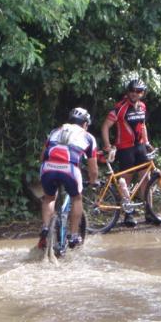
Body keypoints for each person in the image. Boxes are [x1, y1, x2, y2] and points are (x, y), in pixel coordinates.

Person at [38, 107, 99, 250]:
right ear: (85, 124)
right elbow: (93, 169)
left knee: (49, 198)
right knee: (76, 198)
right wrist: (93, 181)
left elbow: (42, 157)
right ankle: (73, 235)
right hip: (69, 169)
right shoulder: (88, 137)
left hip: (48, 167)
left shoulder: (55, 131)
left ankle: (46, 227)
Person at [100, 78, 153, 227]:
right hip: (125, 149)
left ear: (142, 93)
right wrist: (107, 145)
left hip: (140, 147)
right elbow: (105, 127)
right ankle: (128, 214)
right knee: (125, 181)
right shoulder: (120, 108)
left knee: (146, 178)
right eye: (132, 91)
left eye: (138, 91)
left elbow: (143, 126)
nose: (135, 94)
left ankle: (149, 212)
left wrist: (147, 142)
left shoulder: (142, 106)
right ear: (127, 92)